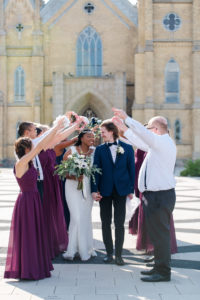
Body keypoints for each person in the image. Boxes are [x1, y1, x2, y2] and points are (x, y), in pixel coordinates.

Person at [112, 108, 176, 282]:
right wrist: (124, 130)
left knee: (161, 235)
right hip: (154, 196)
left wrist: (126, 119)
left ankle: (163, 272)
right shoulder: (157, 144)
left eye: (148, 128)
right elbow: (140, 142)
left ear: (155, 130)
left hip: (160, 196)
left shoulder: (162, 142)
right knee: (156, 234)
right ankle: (158, 266)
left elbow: (142, 134)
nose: (146, 131)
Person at [4, 119, 64, 280]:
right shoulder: (22, 162)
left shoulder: (29, 162)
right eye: (30, 147)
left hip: (34, 199)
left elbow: (40, 145)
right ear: (25, 149)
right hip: (26, 202)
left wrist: (55, 130)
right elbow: (38, 146)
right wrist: (55, 128)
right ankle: (27, 269)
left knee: (36, 233)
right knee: (29, 233)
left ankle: (36, 265)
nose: (34, 149)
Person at [91, 121, 135, 266]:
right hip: (104, 190)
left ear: (111, 131)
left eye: (103, 132)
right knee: (105, 222)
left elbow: (131, 170)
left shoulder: (127, 148)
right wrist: (94, 189)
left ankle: (119, 255)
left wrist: (130, 190)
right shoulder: (99, 150)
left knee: (120, 224)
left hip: (121, 190)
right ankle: (109, 253)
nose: (101, 134)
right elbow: (95, 171)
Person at [62, 129, 97, 261]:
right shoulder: (71, 151)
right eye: (89, 136)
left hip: (87, 187)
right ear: (81, 138)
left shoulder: (94, 152)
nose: (92, 139)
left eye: (93, 137)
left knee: (85, 217)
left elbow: (96, 172)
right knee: (76, 217)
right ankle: (72, 250)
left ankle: (86, 247)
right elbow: (63, 172)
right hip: (72, 186)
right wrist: (74, 176)